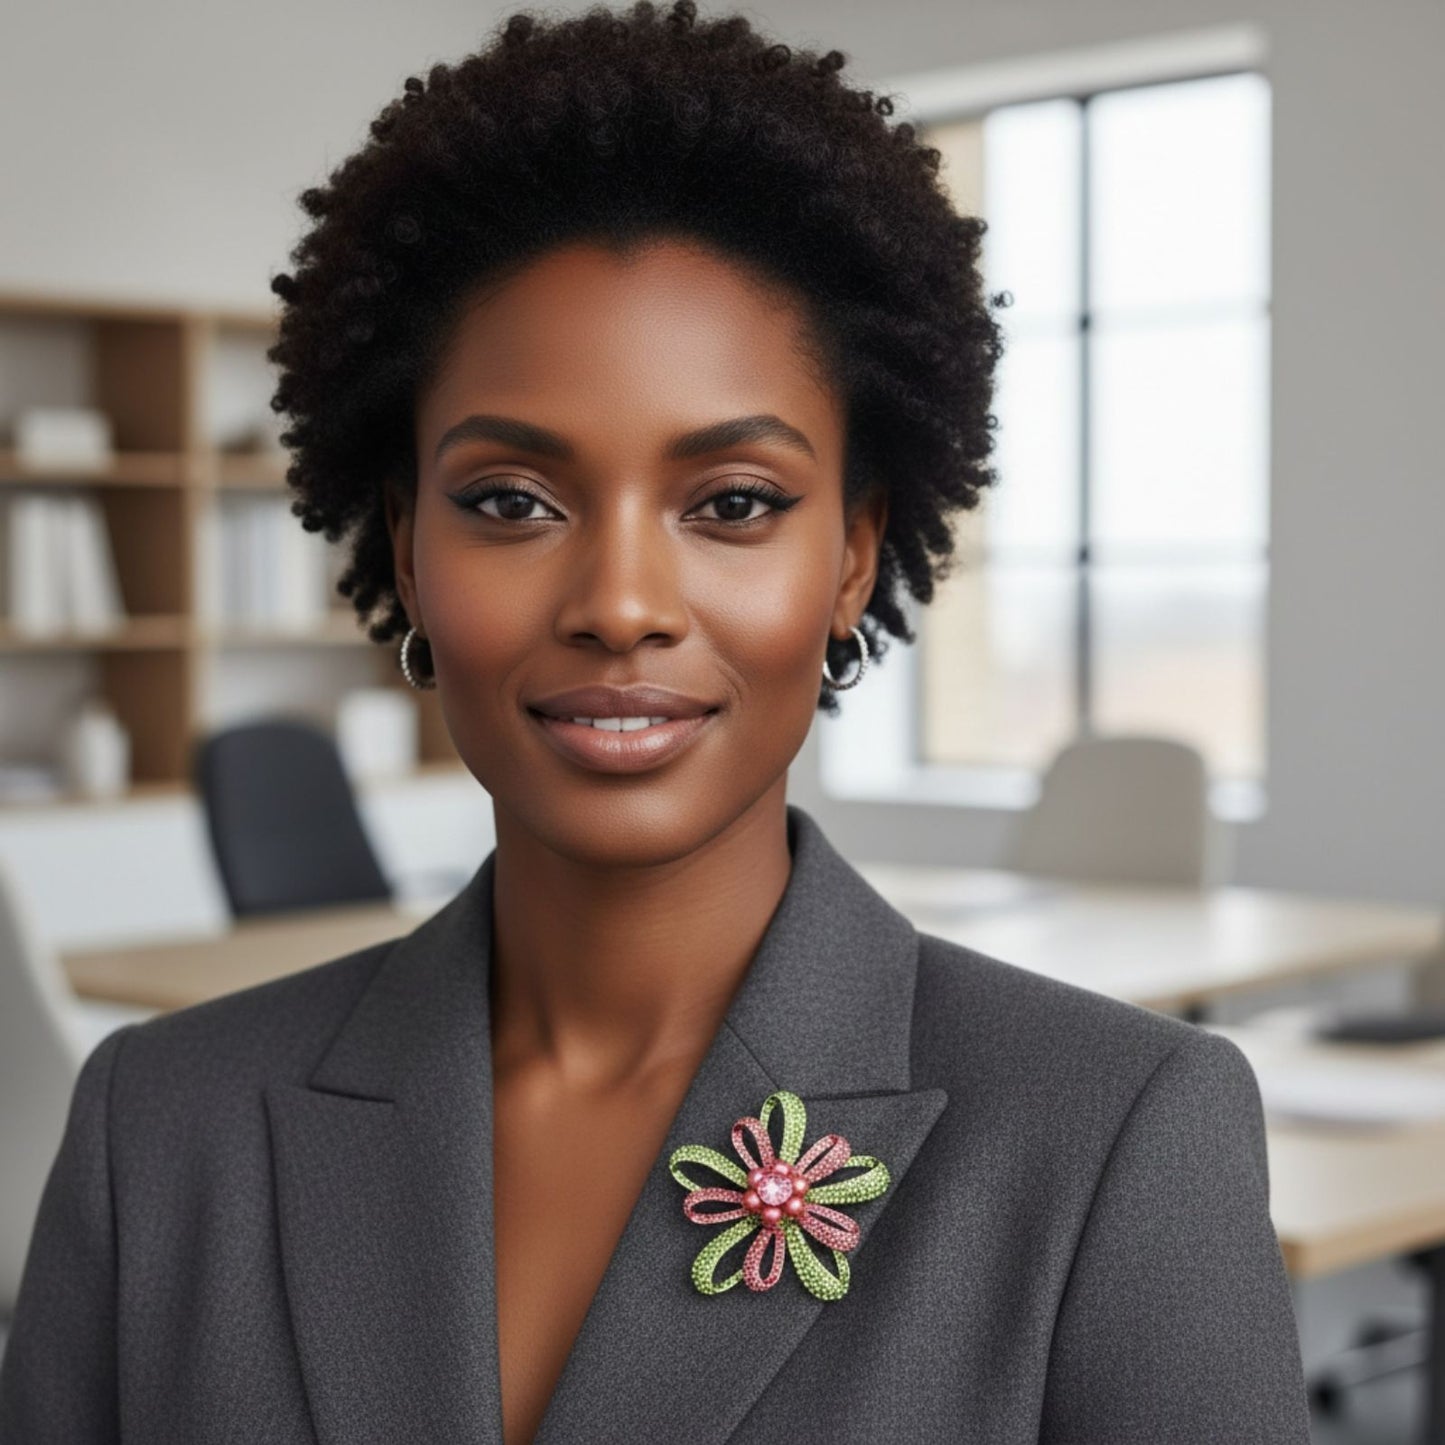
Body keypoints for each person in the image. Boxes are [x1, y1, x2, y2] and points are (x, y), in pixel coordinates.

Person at [0, 3, 1313, 1440]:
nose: (620, 601)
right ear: (407, 544)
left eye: (732, 504)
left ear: (853, 556)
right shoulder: (163, 1127)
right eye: (512, 501)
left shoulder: (1116, 1140)